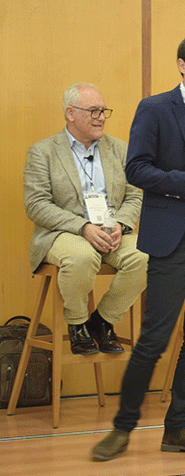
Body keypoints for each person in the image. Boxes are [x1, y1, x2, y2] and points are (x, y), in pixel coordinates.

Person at [92, 31, 185, 461]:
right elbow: (136, 169)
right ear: (182, 65)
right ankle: (122, 429)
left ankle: (179, 427)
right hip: (176, 234)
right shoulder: (155, 108)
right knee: (154, 339)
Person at [23, 83, 147, 356]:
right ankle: (77, 323)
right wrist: (82, 227)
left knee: (147, 255)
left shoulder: (120, 149)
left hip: (112, 231)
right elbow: (36, 205)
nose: (101, 117)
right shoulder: (42, 152)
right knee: (82, 257)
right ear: (70, 113)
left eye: (103, 110)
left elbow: (135, 195)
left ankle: (102, 322)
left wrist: (121, 225)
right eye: (93, 111)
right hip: (64, 234)